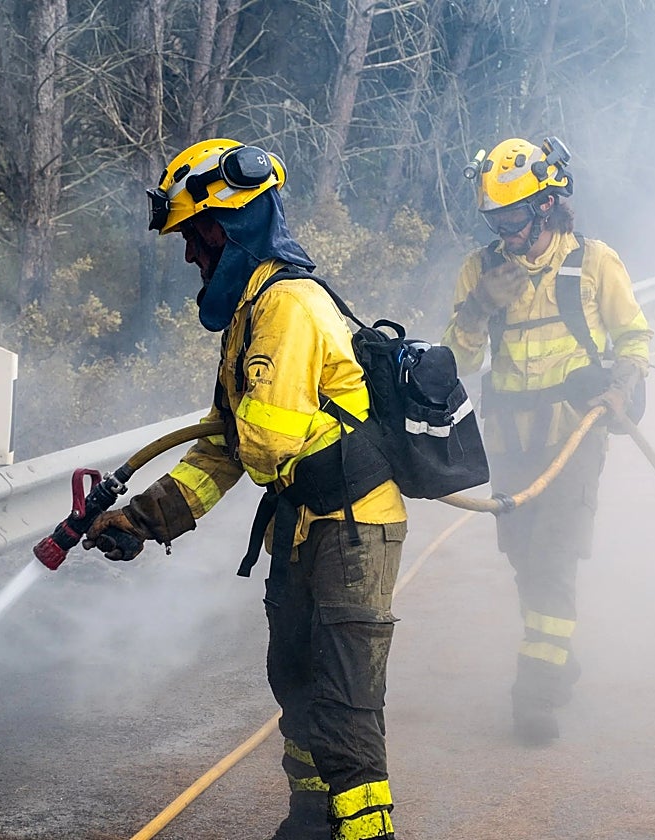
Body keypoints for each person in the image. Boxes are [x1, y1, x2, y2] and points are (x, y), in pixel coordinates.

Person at [82, 138, 407, 840]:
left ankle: (363, 832)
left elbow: (261, 440)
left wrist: (231, 429)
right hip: (301, 521)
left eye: (195, 239)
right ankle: (312, 819)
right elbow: (222, 446)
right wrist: (143, 520)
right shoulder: (251, 313)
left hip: (353, 526)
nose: (192, 258)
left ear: (227, 227)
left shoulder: (289, 305)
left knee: (344, 699)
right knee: (293, 681)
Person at [442, 136, 653, 745]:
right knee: (526, 561)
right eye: (494, 219)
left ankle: (533, 694)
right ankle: (558, 656)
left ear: (544, 206)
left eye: (512, 216)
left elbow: (634, 338)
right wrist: (480, 307)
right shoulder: (479, 272)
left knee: (555, 561)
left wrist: (623, 384)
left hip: (575, 436)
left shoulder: (594, 263)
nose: (503, 231)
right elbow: (456, 359)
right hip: (509, 443)